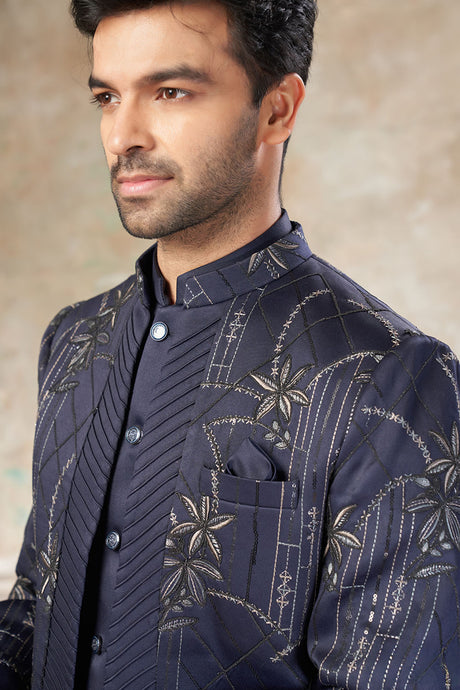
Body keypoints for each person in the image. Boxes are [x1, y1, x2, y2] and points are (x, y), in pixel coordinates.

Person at [1, 0, 459, 687]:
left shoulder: (391, 378)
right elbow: (37, 603)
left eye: (170, 91)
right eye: (107, 97)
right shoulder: (75, 341)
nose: (121, 136)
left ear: (277, 109)